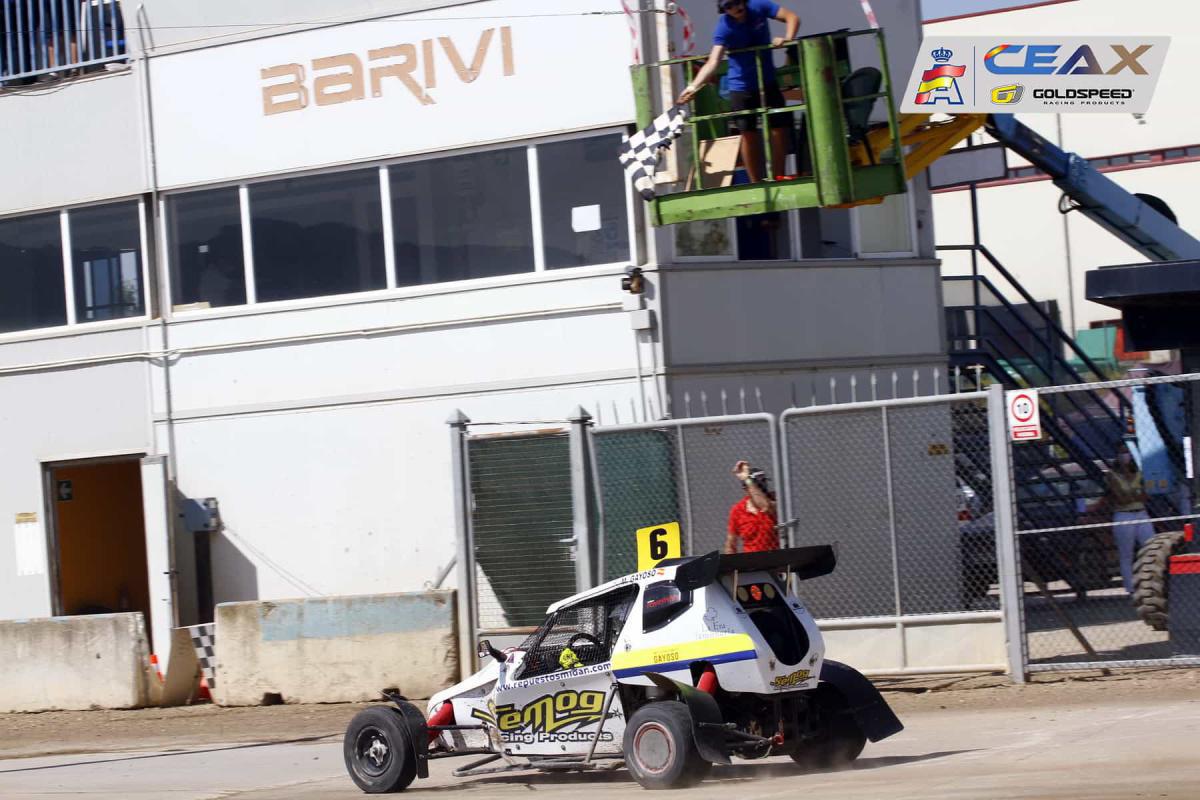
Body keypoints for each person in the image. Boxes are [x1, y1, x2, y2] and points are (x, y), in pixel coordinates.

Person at [676, 0, 801, 184]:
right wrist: (693, 87)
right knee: (748, 133)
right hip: (741, 87)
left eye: (737, 2)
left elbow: (792, 18)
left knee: (779, 128)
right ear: (724, 10)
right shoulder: (723, 28)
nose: (735, 8)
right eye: (729, 6)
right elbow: (713, 62)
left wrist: (787, 39)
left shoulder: (759, 6)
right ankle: (755, 182)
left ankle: (779, 175)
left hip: (767, 81)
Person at [1105, 452, 1155, 594]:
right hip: (1123, 516)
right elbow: (1121, 498)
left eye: (1127, 452)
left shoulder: (1139, 472)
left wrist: (1132, 495)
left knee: (1150, 548)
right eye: (1122, 452)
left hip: (1141, 513)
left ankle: (1151, 583)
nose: (1125, 456)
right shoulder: (1112, 474)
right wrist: (1136, 494)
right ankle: (1130, 587)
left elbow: (1147, 495)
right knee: (1126, 553)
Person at [724, 459, 779, 554]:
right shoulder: (738, 510)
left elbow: (765, 507)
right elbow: (731, 543)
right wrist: (731, 566)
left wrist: (747, 479)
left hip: (776, 560)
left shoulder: (774, 500)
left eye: (764, 482)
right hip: (751, 562)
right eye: (758, 484)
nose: (763, 487)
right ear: (746, 488)